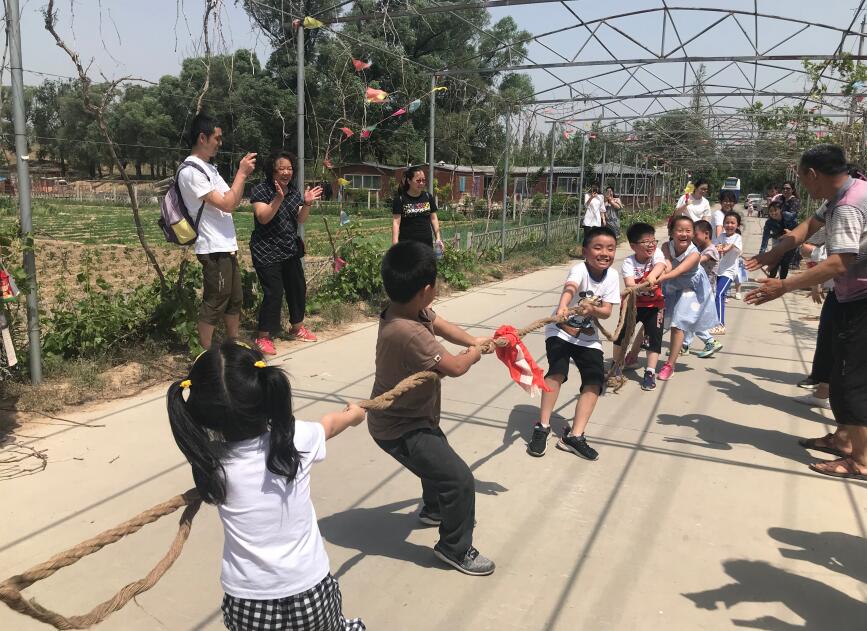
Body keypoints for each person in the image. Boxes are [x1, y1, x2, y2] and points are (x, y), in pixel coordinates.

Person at [166, 340, 366, 630]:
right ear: (267, 393)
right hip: (310, 590)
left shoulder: (210, 463)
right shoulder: (294, 439)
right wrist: (354, 415)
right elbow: (331, 424)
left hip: (248, 602)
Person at [367, 241, 495, 576]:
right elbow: (454, 367)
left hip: (415, 416)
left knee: (437, 458)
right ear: (426, 290)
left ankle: (434, 509)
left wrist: (473, 341)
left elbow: (443, 325)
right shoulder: (407, 332)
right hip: (398, 427)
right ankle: (455, 547)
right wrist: (474, 354)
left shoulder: (406, 309)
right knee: (459, 479)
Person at [745, 143, 867, 481]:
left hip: (861, 301)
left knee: (851, 381)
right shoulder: (848, 191)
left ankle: (861, 460)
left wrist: (784, 286)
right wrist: (774, 253)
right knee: (839, 371)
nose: (802, 185)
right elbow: (808, 226)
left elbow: (839, 262)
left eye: (801, 177)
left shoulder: (849, 205)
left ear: (813, 174)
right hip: (849, 296)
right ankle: (843, 439)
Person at [527, 226, 620, 459]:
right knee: (557, 371)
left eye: (610, 248)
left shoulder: (612, 276)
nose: (604, 253)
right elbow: (570, 288)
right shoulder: (579, 270)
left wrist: (593, 310)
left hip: (587, 336)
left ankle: (574, 436)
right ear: (585, 251)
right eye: (598, 247)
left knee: (595, 379)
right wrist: (562, 306)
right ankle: (543, 426)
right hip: (560, 330)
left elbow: (607, 312)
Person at [177, 113, 257, 350]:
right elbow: (227, 203)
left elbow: (232, 198)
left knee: (234, 299)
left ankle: (232, 346)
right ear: (203, 138)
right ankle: (205, 353)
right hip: (212, 246)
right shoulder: (190, 171)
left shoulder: (209, 169)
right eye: (217, 138)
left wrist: (239, 181)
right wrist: (241, 174)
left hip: (226, 244)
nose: (220, 143)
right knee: (215, 300)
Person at [250, 151, 322, 354]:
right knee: (274, 292)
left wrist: (307, 203)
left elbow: (300, 219)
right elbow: (263, 217)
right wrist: (278, 198)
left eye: (289, 168)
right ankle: (263, 336)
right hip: (266, 250)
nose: (286, 172)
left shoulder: (293, 191)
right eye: (282, 168)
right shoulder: (261, 190)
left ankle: (296, 327)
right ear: (272, 170)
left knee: (297, 288)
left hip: (289, 248)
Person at [655, 216, 720, 381]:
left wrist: (660, 278)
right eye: (679, 230)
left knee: (678, 324)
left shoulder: (695, 254)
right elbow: (668, 264)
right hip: (671, 285)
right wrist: (657, 274)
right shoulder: (666, 246)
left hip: (690, 289)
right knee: (655, 318)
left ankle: (670, 365)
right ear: (671, 232)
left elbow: (678, 271)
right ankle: (632, 355)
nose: (684, 234)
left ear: (693, 234)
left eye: (688, 231)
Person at [611, 222, 666, 391]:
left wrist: (651, 277)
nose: (651, 245)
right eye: (646, 242)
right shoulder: (628, 262)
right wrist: (644, 286)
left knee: (654, 339)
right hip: (632, 306)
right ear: (633, 246)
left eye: (653, 241)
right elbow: (630, 285)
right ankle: (616, 365)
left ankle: (650, 372)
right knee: (622, 336)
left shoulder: (657, 254)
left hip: (655, 305)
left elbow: (660, 265)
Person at [793, 230, 833, 410]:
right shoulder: (830, 222)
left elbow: (846, 255)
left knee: (840, 347)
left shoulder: (849, 216)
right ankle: (822, 392)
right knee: (828, 342)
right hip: (839, 292)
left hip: (853, 297)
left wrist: (813, 252)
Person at [684, 220, 724, 359]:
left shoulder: (711, 250)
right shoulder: (701, 249)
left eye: (695, 235)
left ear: (706, 234)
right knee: (690, 317)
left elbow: (696, 261)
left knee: (692, 318)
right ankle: (685, 345)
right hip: (698, 290)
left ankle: (710, 341)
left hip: (705, 292)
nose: (693, 238)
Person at [392, 165, 443, 249]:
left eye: (423, 180)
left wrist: (438, 238)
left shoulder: (428, 197)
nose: (421, 183)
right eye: (418, 181)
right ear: (409, 181)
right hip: (407, 246)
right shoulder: (400, 199)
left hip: (426, 246)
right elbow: (396, 223)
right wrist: (395, 244)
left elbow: (433, 218)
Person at [710, 210, 744, 334]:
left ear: (737, 225)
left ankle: (720, 325)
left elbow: (732, 247)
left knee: (719, 294)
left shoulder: (737, 237)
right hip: (718, 270)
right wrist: (718, 247)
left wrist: (726, 247)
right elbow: (715, 247)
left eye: (732, 223)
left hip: (729, 272)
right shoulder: (721, 236)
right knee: (716, 295)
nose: (729, 225)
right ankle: (714, 322)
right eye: (727, 222)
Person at [760, 201, 796, 279]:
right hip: (778, 241)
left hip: (791, 241)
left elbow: (798, 229)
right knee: (774, 260)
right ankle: (771, 280)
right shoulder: (769, 222)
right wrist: (761, 253)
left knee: (785, 263)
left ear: (780, 209)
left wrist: (791, 233)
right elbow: (765, 238)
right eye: (771, 211)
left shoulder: (788, 216)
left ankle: (782, 282)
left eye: (775, 210)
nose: (773, 213)